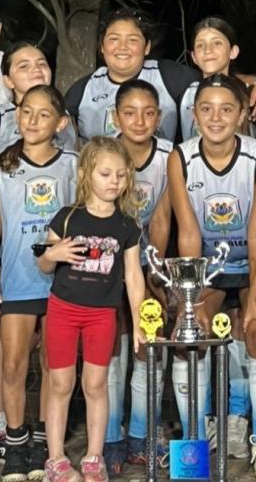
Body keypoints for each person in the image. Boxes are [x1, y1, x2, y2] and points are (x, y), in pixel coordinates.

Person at [166, 74, 256, 478]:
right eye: (207, 108)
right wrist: (191, 300)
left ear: (240, 116)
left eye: (226, 109)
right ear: (194, 114)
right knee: (190, 336)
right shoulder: (181, 157)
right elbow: (188, 233)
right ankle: (195, 442)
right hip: (211, 266)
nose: (216, 117)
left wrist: (255, 298)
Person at [0, 84, 78, 481]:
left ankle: (43, 440)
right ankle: (16, 443)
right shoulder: (2, 163)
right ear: (16, 115)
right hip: (18, 277)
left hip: (61, 281)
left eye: (44, 114)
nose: (33, 120)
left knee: (53, 364)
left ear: (60, 123)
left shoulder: (73, 163)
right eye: (26, 111)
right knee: (13, 364)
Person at [37, 137, 145, 482]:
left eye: (121, 175)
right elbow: (44, 263)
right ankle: (55, 459)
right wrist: (51, 255)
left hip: (102, 315)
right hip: (63, 311)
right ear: (86, 174)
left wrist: (140, 322)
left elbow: (133, 276)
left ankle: (94, 457)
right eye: (105, 174)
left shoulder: (128, 225)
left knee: (97, 385)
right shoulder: (67, 218)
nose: (114, 181)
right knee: (60, 384)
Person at [106, 79, 173, 471]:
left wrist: (155, 271)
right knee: (112, 346)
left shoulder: (169, 156)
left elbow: (162, 217)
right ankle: (110, 436)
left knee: (150, 339)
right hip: (109, 262)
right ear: (115, 117)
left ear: (159, 117)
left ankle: (141, 435)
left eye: (148, 113)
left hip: (149, 260)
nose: (139, 121)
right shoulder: (102, 153)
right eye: (129, 113)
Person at [65, 8, 200, 142]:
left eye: (132, 40)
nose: (122, 47)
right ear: (102, 46)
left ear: (147, 47)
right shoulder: (82, 90)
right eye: (114, 39)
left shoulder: (171, 76)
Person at [0, 41, 78, 162]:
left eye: (42, 64)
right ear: (8, 81)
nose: (36, 69)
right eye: (24, 66)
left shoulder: (64, 115)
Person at [181, 16, 256, 140]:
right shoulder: (186, 94)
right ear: (194, 57)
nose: (208, 50)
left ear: (233, 52)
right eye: (200, 45)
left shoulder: (252, 94)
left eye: (217, 43)